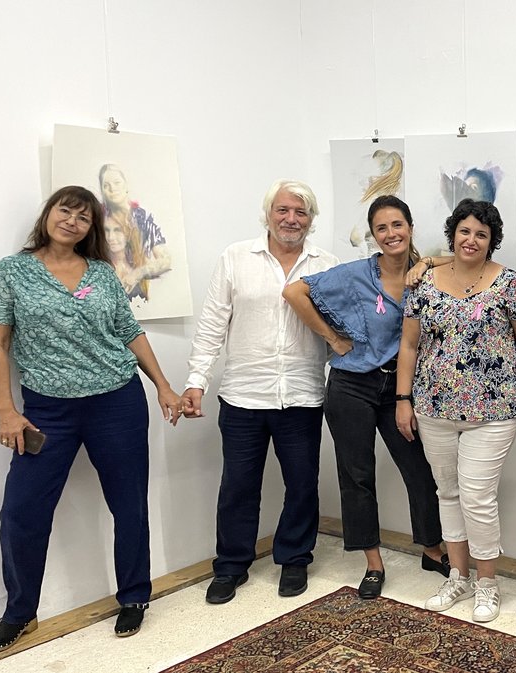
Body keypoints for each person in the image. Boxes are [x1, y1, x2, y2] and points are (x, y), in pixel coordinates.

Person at [0, 186, 183, 650]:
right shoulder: (12, 271)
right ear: (49, 214)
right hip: (47, 410)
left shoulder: (101, 273)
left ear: (92, 229)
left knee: (129, 504)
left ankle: (134, 596)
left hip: (117, 401)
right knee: (21, 511)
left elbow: (129, 331)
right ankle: (20, 611)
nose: (72, 221)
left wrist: (164, 386)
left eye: (83, 217)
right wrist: (6, 411)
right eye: (65, 210)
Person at [283, 195, 450, 599]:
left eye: (398, 225)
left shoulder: (428, 273)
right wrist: (332, 338)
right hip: (351, 385)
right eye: (382, 228)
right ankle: (373, 562)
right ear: (373, 236)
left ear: (410, 227)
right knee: (357, 475)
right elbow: (294, 292)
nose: (391, 234)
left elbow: (462, 258)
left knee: (420, 469)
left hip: (401, 389)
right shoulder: (356, 274)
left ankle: (431, 547)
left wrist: (425, 262)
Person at [181, 179, 339, 604]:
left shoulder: (328, 264)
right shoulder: (236, 258)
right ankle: (231, 566)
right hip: (243, 395)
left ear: (311, 219)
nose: (291, 219)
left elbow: (339, 330)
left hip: (302, 396)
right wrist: (196, 380)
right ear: (268, 214)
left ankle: (294, 558)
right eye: (283, 210)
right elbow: (213, 324)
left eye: (301, 212)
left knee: (303, 483)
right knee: (238, 485)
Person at [396, 198, 516, 623]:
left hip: (493, 412)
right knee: (448, 494)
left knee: (478, 497)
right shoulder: (424, 282)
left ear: (492, 240)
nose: (472, 239)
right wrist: (403, 400)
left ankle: (487, 583)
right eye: (465, 231)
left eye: (481, 233)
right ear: (452, 234)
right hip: (433, 407)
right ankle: (457, 576)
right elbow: (409, 345)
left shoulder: (510, 285)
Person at [99, 164, 172, 299]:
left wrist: (138, 273)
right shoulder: (97, 217)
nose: (112, 189)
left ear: (126, 186)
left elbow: (165, 259)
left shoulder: (142, 218)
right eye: (106, 185)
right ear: (102, 190)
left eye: (117, 183)